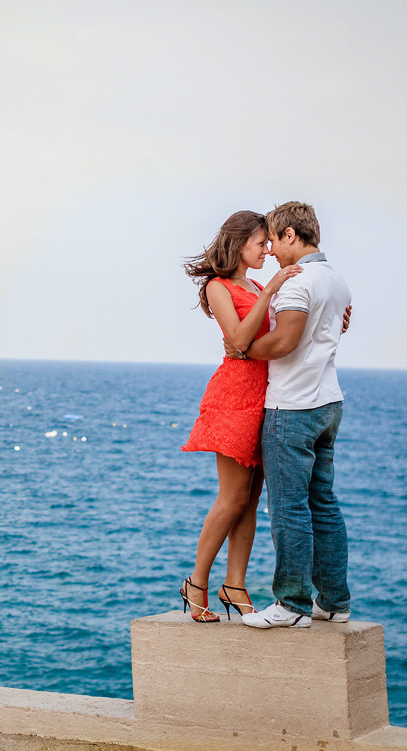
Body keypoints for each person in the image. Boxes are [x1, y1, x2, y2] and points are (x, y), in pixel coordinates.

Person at [225, 201, 353, 630]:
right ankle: (333, 603)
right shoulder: (336, 280)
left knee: (289, 509)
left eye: (274, 240)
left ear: (291, 236)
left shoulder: (299, 282)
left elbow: (282, 344)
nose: (273, 252)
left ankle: (292, 605)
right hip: (328, 404)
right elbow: (330, 328)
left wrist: (242, 349)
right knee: (324, 504)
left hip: (293, 408)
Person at [178, 210, 302, 622]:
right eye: (260, 242)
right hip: (235, 397)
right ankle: (196, 583)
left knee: (249, 502)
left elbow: (271, 338)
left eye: (269, 242)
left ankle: (235, 584)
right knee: (231, 498)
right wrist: (268, 296)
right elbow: (238, 340)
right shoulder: (219, 286)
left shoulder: (255, 284)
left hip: (266, 396)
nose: (267, 249)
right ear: (238, 242)